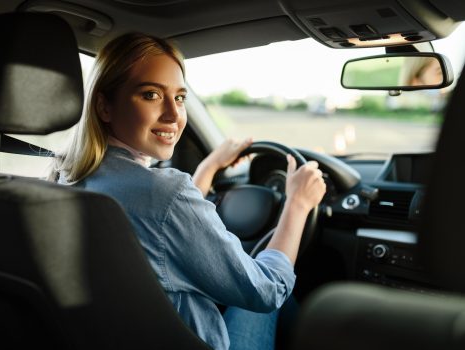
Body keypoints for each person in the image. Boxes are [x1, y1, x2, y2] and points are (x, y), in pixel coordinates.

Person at [49, 32, 326, 350]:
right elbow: (267, 290)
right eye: (151, 95)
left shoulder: (68, 178)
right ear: (105, 106)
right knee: (278, 295)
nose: (173, 114)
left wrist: (207, 170)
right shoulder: (164, 194)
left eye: (180, 98)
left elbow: (159, 223)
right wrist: (298, 204)